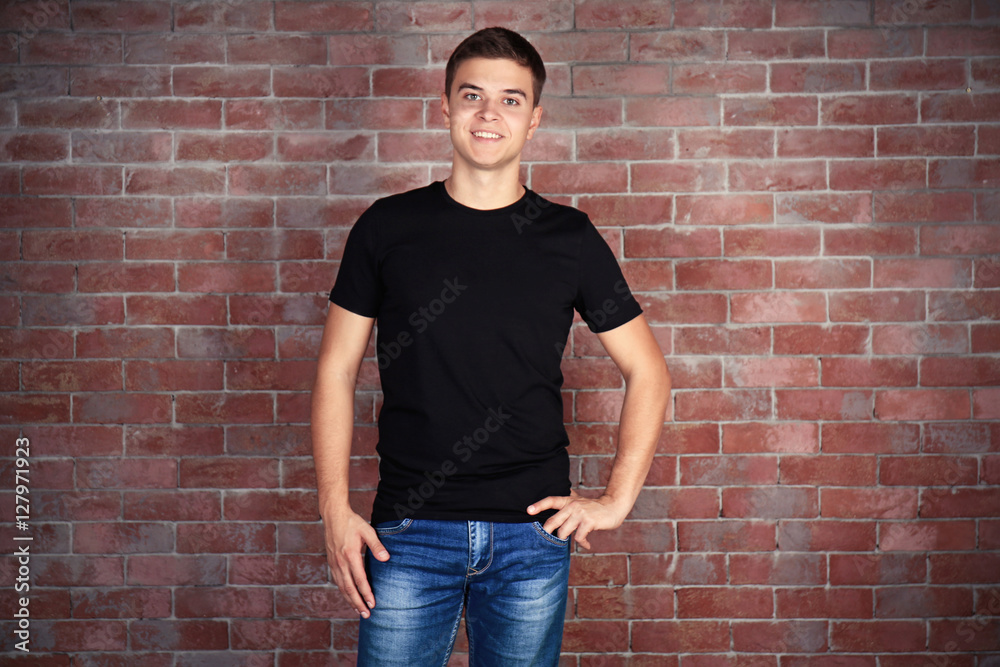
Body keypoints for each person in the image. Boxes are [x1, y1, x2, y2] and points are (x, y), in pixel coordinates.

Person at [311, 26, 671, 666]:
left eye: (510, 100)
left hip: (532, 536)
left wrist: (616, 501)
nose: (488, 114)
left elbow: (648, 371)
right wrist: (333, 510)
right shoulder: (387, 227)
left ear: (534, 120)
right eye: (472, 95)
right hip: (407, 533)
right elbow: (336, 370)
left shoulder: (569, 237)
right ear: (445, 107)